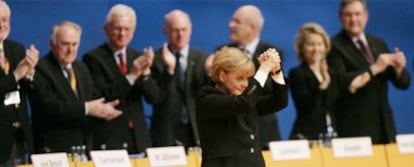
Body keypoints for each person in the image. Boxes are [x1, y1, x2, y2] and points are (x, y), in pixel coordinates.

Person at [29, 21, 122, 153]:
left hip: (83, 148)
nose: (70, 50)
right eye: (65, 44)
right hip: (54, 151)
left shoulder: (81, 67)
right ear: (52, 44)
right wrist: (87, 108)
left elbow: (92, 98)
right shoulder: (41, 69)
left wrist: (104, 110)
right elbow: (50, 108)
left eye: (74, 44)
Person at [327, 0, 410, 144]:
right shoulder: (334, 46)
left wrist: (398, 69)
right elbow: (342, 82)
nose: (354, 19)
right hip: (354, 128)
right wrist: (375, 67)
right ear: (340, 17)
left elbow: (404, 83)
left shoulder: (378, 42)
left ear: (366, 16)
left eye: (357, 14)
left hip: (384, 124)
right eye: (348, 15)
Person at [83, 4, 159, 154]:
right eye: (118, 28)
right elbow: (103, 96)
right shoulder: (93, 58)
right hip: (111, 138)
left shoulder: (138, 57)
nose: (122, 34)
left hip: (139, 138)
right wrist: (132, 76)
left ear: (133, 31)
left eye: (127, 29)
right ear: (106, 28)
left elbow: (154, 97)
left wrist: (145, 75)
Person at [196, 48, 287, 167]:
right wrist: (264, 69)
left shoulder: (245, 99)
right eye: (239, 78)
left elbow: (279, 102)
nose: (245, 84)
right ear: (222, 76)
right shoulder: (206, 98)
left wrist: (276, 71)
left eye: (248, 79)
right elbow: (242, 103)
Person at [217, 5, 287, 149]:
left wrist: (274, 70)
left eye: (237, 21)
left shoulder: (272, 54)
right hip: (231, 130)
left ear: (252, 28)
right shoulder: (223, 53)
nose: (231, 25)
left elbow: (275, 95)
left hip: (264, 132)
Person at [150, 10, 209, 148]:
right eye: (175, 30)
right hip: (166, 133)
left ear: (190, 29)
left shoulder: (203, 59)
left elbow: (208, 95)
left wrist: (209, 74)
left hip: (197, 131)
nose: (180, 35)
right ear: (166, 31)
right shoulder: (156, 59)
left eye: (184, 29)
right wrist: (168, 71)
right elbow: (154, 97)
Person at [0, 1, 38, 166]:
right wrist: (16, 75)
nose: (2, 25)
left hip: (20, 137)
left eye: (5, 19)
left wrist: (30, 74)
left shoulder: (16, 49)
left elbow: (32, 92)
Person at [289, 23, 337, 140]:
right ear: (302, 47)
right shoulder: (297, 73)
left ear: (325, 47)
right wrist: (324, 84)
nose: (316, 49)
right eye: (311, 44)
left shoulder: (332, 72)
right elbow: (306, 107)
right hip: (307, 136)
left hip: (333, 135)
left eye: (319, 44)